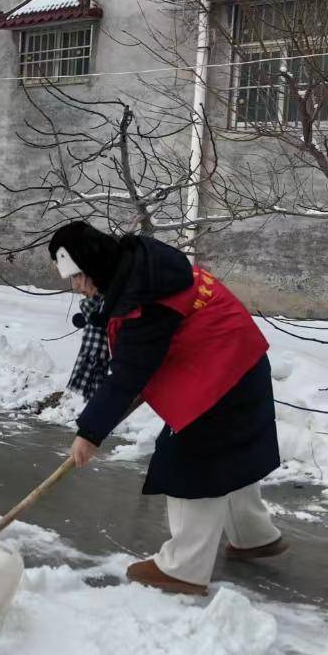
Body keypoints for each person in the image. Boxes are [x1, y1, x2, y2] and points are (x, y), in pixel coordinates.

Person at [50, 221, 285, 596]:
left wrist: (89, 433)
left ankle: (183, 569)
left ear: (95, 265)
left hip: (221, 376)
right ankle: (254, 536)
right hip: (239, 362)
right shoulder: (141, 266)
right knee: (231, 454)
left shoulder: (144, 301)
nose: (76, 286)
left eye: (77, 276)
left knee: (189, 464)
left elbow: (126, 375)